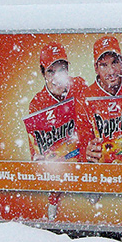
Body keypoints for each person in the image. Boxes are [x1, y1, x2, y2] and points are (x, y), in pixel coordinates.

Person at [78, 35, 122, 209]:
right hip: (104, 165)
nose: (111, 71)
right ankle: (98, 184)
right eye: (104, 65)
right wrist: (86, 154)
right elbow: (83, 139)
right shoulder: (86, 96)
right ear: (96, 68)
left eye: (114, 63)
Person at [25, 42, 86, 219]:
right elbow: (35, 144)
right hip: (59, 159)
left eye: (61, 70)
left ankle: (92, 187)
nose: (56, 76)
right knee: (51, 164)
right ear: (43, 72)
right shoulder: (37, 103)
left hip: (82, 154)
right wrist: (37, 157)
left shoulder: (80, 86)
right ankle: (53, 200)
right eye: (51, 71)